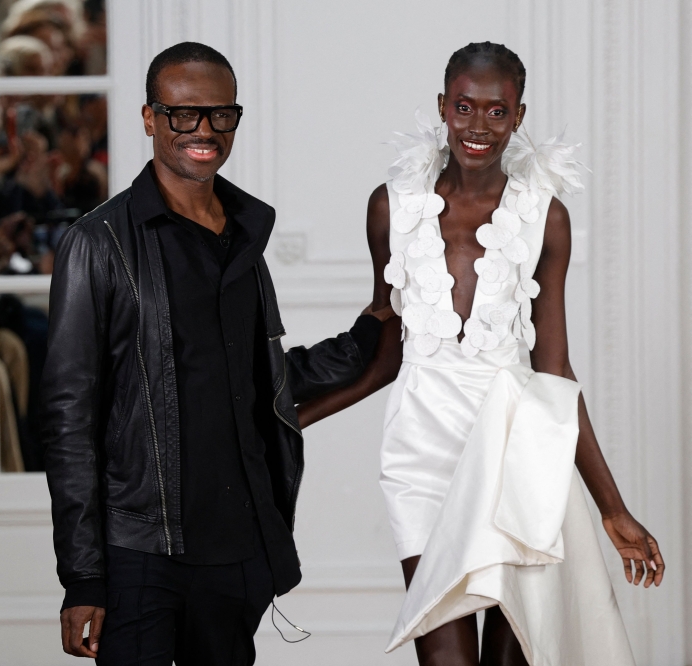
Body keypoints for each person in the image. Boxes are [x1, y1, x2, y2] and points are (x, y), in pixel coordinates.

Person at [297, 42, 663, 665]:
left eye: (497, 111)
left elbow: (553, 368)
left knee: (515, 651)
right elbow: (386, 350)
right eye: (464, 106)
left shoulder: (546, 218)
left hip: (518, 453)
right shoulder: (390, 207)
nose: (477, 126)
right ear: (443, 106)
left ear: (519, 117)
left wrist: (612, 508)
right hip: (421, 455)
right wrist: (290, 419)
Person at [42, 42, 391, 665]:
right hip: (140, 555)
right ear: (150, 119)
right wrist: (83, 577)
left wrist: (363, 339)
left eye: (219, 114)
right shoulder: (96, 245)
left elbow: (257, 381)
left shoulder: (244, 233)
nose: (202, 131)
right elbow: (69, 420)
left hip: (238, 550)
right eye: (182, 114)